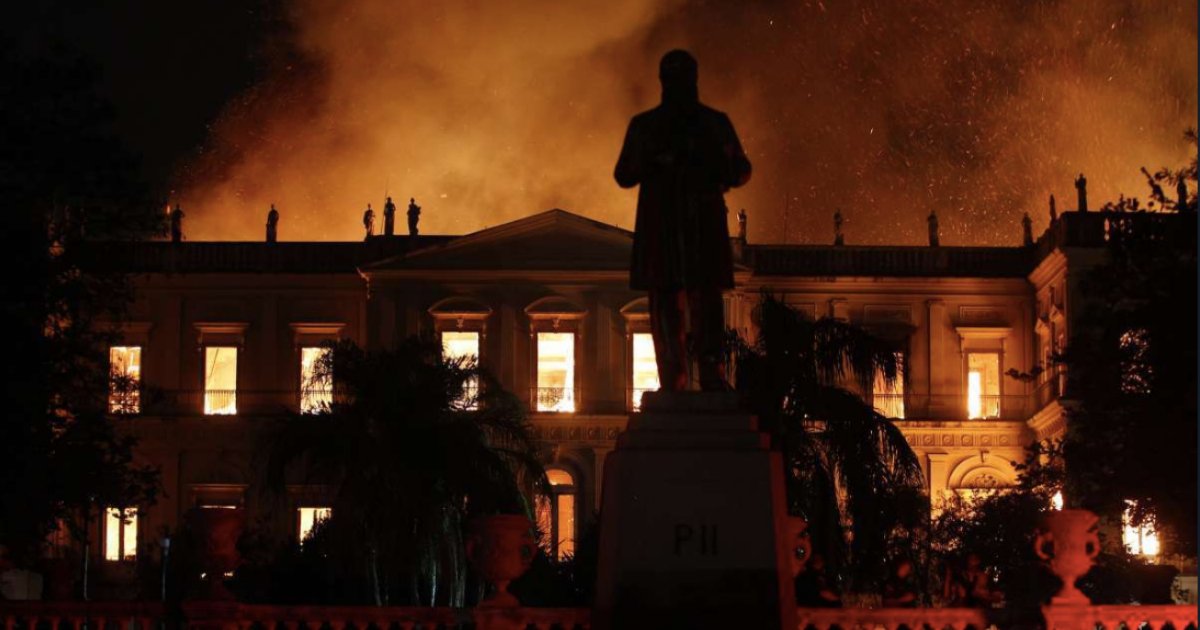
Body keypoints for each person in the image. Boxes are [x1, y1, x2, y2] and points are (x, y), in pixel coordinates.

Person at [614, 49, 751, 391]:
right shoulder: (651, 126)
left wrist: (710, 168)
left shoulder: (709, 124)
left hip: (694, 226)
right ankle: (676, 377)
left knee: (701, 302)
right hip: (667, 229)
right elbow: (625, 173)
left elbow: (741, 169)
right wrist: (659, 161)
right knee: (668, 304)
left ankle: (707, 374)